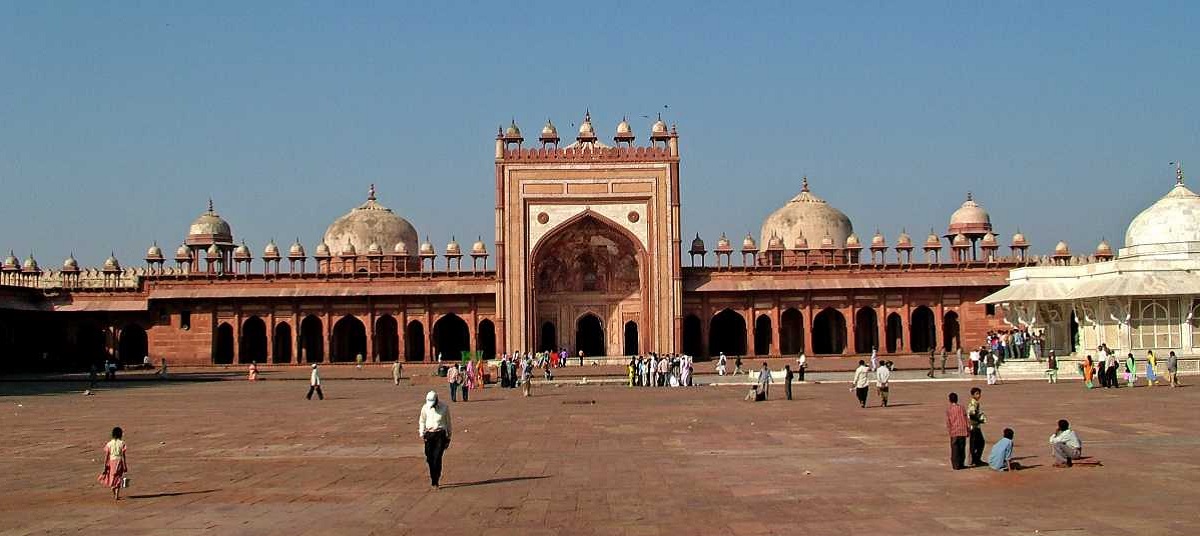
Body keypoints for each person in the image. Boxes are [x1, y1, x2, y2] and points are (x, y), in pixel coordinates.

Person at [418, 391, 452, 488]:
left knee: (437, 457)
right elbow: (422, 421)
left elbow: (448, 423)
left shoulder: (444, 408)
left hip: (440, 434)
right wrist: (422, 433)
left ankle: (435, 479)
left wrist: (449, 437)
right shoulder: (425, 408)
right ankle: (433, 474)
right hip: (429, 434)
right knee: (429, 458)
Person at [97, 426, 129, 501]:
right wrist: (125, 465)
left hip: (111, 462)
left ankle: (113, 488)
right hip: (119, 461)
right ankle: (117, 495)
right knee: (119, 477)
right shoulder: (122, 443)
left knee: (112, 476)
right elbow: (123, 456)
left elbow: (107, 456)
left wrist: (105, 465)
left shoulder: (109, 444)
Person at [945, 392, 969, 470]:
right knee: (962, 449)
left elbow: (948, 422)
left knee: (955, 449)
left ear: (950, 400)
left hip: (954, 432)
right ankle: (961, 464)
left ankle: (956, 465)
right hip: (962, 431)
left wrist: (950, 431)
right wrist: (968, 430)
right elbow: (966, 419)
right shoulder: (962, 408)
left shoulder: (949, 409)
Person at [967, 387, 986, 467]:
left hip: (975, 426)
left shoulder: (975, 402)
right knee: (978, 443)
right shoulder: (973, 403)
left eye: (979, 394)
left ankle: (975, 460)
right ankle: (974, 460)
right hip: (974, 426)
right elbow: (971, 414)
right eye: (977, 394)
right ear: (973, 395)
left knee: (978, 443)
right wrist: (979, 419)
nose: (979, 395)